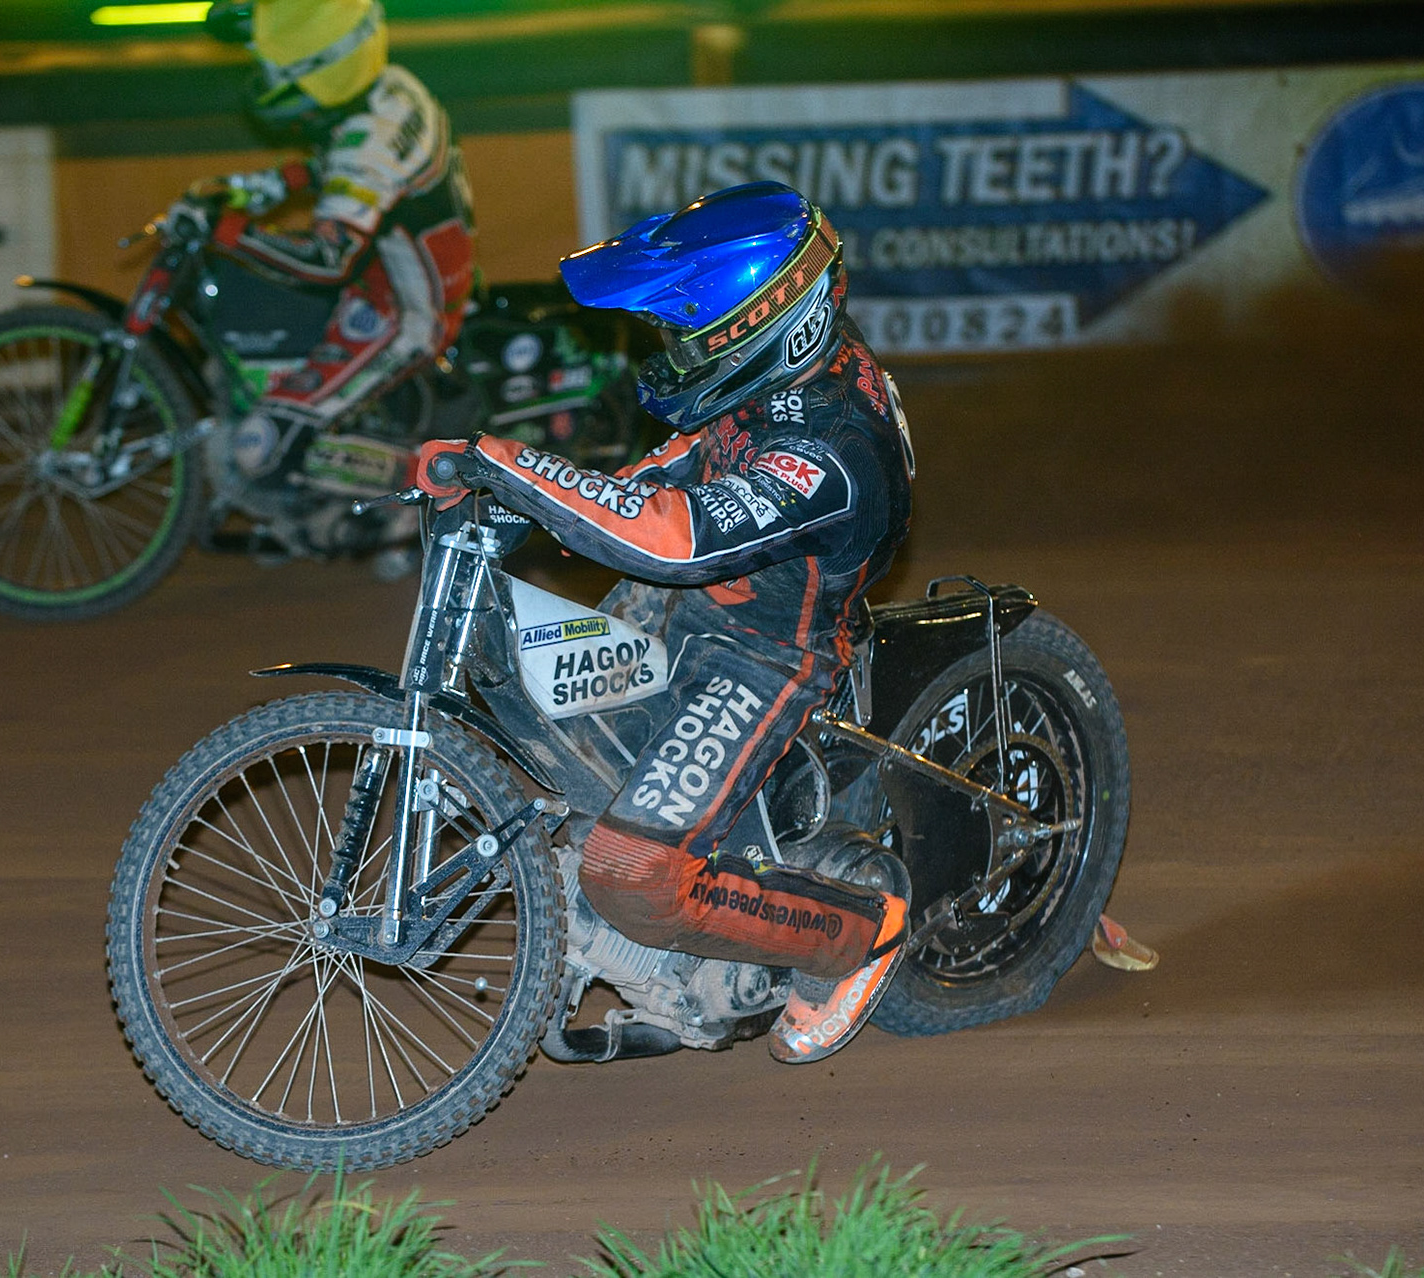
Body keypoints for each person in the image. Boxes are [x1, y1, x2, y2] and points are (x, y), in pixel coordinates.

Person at [416, 181, 918, 1064]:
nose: (674, 352)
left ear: (766, 323)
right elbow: (691, 459)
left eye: (689, 335)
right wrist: (551, 502)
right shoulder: (785, 377)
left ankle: (858, 934)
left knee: (633, 876)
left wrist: (519, 466)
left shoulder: (830, 447)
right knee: (546, 731)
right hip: (690, 607)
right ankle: (640, 946)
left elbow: (676, 541)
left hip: (766, 653)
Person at [188, 0, 476, 436]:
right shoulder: (392, 88)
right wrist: (271, 184)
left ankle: (425, 488)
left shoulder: (368, 148)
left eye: (274, 69)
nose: (264, 78)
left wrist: (225, 230)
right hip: (398, 280)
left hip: (404, 315)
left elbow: (329, 259)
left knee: (263, 445)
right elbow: (346, 165)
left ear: (321, 66)